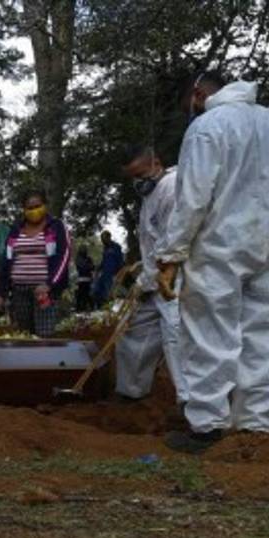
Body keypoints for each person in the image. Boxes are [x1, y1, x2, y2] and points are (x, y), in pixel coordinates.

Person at [154, 71, 269, 453]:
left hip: (220, 243)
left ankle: (207, 424)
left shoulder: (208, 126)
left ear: (198, 94)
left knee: (210, 334)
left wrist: (171, 253)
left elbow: (193, 198)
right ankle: (256, 422)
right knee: (261, 332)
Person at [115, 145, 189, 409]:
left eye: (141, 174)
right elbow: (151, 241)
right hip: (152, 280)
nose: (138, 182)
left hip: (173, 280)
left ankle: (191, 404)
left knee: (176, 339)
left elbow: (171, 243)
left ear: (156, 163)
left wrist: (148, 279)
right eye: (133, 177)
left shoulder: (172, 188)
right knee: (132, 329)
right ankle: (131, 391)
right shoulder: (151, 195)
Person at [0, 191, 73, 338]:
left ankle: (46, 362)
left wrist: (50, 284)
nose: (34, 211)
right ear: (23, 209)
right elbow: (6, 260)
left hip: (44, 292)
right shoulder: (15, 230)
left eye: (38, 206)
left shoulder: (56, 226)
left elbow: (64, 256)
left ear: (45, 206)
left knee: (45, 336)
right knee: (23, 336)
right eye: (29, 208)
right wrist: (0, 293)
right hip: (18, 291)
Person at [92, 230, 125, 307]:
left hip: (113, 275)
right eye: (101, 239)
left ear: (109, 237)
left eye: (103, 238)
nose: (102, 241)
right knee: (97, 291)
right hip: (105, 275)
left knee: (111, 294)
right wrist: (98, 267)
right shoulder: (105, 249)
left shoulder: (116, 247)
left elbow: (120, 260)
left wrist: (119, 274)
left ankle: (113, 309)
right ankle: (101, 308)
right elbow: (104, 261)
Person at [74, 247, 96, 312]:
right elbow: (82, 267)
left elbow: (92, 267)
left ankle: (90, 308)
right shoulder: (78, 259)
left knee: (87, 295)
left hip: (87, 280)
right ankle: (79, 309)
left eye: (84, 250)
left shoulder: (88, 259)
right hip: (81, 280)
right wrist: (88, 266)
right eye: (82, 250)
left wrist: (88, 266)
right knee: (81, 295)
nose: (84, 251)